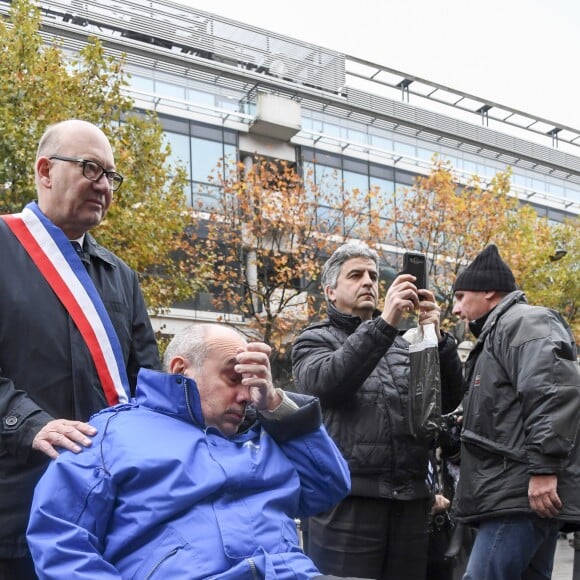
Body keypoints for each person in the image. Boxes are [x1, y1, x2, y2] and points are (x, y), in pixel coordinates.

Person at [26, 323, 352, 579]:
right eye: (233, 376)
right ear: (182, 370)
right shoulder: (112, 434)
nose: (245, 395)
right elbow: (59, 534)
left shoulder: (267, 432)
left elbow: (329, 488)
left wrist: (276, 405)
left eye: (250, 381)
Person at [0, 120, 160, 579]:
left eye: (111, 176)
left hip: (102, 512)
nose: (105, 186)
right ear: (45, 171)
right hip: (16, 505)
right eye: (91, 169)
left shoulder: (120, 276)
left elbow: (145, 381)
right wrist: (28, 424)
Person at [292, 241, 464, 579]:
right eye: (355, 275)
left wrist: (436, 338)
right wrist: (385, 323)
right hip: (348, 503)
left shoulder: (404, 343)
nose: (369, 281)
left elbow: (445, 400)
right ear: (330, 291)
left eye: (373, 275)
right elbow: (328, 384)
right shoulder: (312, 340)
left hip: (411, 503)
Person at [451, 244, 580, 580]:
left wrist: (544, 470)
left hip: (519, 493)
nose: (455, 308)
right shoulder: (503, 332)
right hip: (519, 493)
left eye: (461, 296)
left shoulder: (523, 322)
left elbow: (552, 391)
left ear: (489, 291)